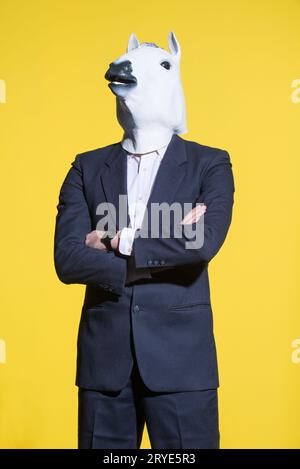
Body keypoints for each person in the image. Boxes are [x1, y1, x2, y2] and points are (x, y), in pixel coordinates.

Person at [54, 32, 235, 449]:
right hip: (105, 369)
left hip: (182, 367)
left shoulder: (210, 164)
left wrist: (120, 239)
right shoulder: (86, 167)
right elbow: (68, 258)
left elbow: (203, 242)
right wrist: (166, 246)